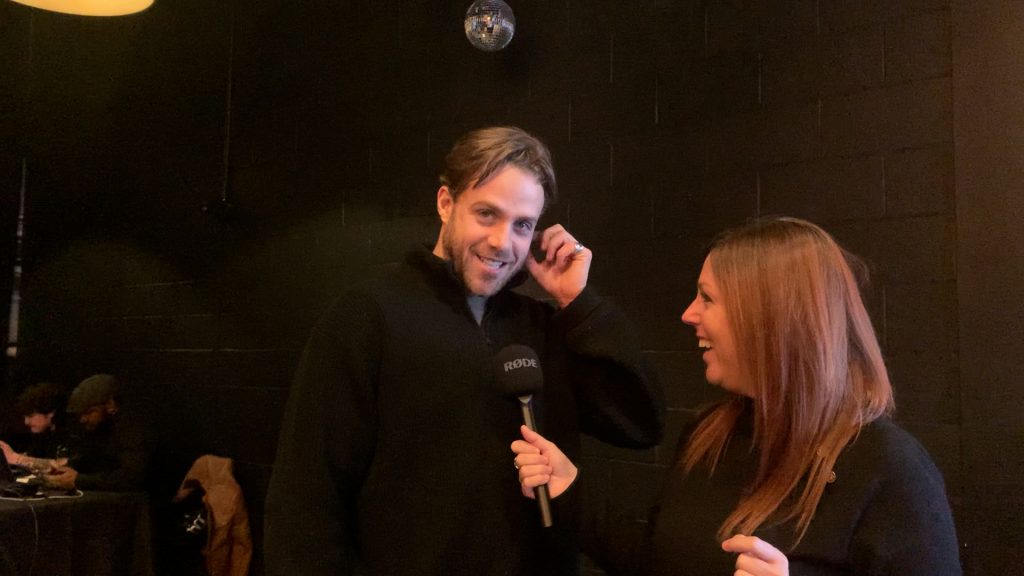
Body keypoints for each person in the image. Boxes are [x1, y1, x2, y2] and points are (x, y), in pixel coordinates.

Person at [264, 126, 664, 576]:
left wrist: (580, 304)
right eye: (487, 214)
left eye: (522, 225)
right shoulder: (367, 318)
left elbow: (640, 425)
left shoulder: (542, 327)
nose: (502, 242)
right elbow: (305, 503)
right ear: (445, 203)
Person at [512, 217, 961, 575]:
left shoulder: (889, 470)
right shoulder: (710, 434)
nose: (688, 315)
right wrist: (569, 488)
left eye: (707, 298)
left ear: (770, 319)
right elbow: (658, 562)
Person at [38, 373, 152, 491]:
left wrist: (78, 480)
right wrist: (65, 469)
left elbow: (131, 478)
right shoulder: (101, 427)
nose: (82, 419)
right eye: (81, 414)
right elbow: (90, 458)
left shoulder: (133, 430)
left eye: (89, 412)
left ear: (110, 405)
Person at [0, 381, 70, 468]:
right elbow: (32, 457)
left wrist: (17, 458)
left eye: (30, 416)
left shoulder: (70, 434)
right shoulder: (42, 435)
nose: (26, 422)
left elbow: (65, 466)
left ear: (50, 413)